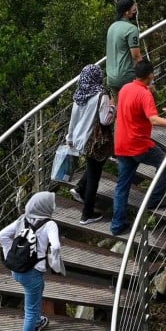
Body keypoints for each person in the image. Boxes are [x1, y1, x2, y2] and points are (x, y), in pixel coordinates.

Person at [112, 59, 166, 237]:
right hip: (139, 144)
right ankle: (154, 200)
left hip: (121, 144)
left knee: (122, 186)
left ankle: (117, 225)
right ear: (150, 75)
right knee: (165, 164)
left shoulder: (125, 89)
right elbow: (154, 119)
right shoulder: (144, 94)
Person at [0, 191, 64, 331]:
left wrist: (11, 257)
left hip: (17, 271)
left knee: (34, 297)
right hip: (33, 274)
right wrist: (55, 263)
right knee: (30, 310)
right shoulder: (50, 224)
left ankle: (37, 321)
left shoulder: (22, 219)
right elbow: (55, 246)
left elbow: (2, 235)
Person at [64, 64, 115, 225]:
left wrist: (70, 137)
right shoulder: (101, 96)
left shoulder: (79, 95)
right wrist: (113, 107)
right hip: (95, 142)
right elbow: (105, 120)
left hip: (81, 140)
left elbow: (73, 119)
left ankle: (80, 188)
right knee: (95, 175)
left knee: (94, 167)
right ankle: (87, 214)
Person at [105, 0, 143, 91]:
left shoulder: (112, 27)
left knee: (120, 105)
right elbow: (136, 55)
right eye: (134, 10)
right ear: (126, 12)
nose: (135, 12)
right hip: (126, 77)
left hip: (111, 78)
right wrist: (145, 74)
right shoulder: (131, 29)